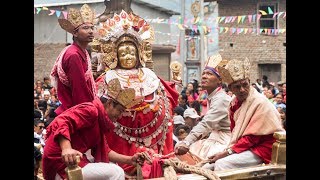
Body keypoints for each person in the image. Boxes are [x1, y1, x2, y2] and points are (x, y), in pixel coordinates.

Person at [92, 10, 179, 178]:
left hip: (154, 138)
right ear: (115, 55)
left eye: (132, 52)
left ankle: (155, 156)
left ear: (139, 53)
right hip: (120, 142)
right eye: (123, 53)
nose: (128, 57)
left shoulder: (151, 76)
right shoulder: (106, 79)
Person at [42, 78, 145, 180]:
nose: (120, 115)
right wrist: (66, 148)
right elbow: (62, 122)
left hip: (74, 161)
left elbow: (106, 151)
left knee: (113, 166)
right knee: (116, 172)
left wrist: (130, 160)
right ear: (109, 104)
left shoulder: (100, 121)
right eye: (120, 110)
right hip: (60, 162)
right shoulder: (92, 110)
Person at [204, 58, 285, 171]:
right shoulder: (233, 103)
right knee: (207, 166)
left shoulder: (260, 103)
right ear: (231, 88)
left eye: (245, 85)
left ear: (249, 83)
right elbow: (235, 133)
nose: (242, 90)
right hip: (245, 146)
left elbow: (252, 138)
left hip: (263, 148)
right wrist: (227, 151)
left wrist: (227, 153)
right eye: (237, 87)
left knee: (222, 164)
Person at [175, 54, 232, 161]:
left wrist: (187, 141)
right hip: (214, 137)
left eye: (209, 74)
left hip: (224, 140)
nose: (204, 76)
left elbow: (207, 123)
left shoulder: (221, 98)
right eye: (203, 73)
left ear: (219, 80)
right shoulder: (213, 96)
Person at [50, 4, 97, 115]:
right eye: (85, 28)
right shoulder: (73, 55)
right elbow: (79, 91)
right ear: (75, 33)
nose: (90, 31)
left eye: (92, 28)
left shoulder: (82, 52)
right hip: (77, 110)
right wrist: (90, 111)